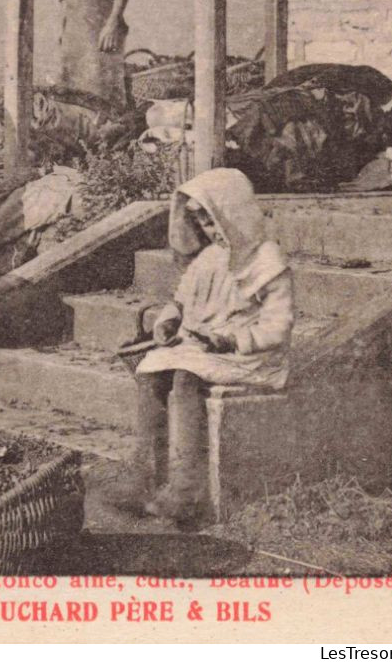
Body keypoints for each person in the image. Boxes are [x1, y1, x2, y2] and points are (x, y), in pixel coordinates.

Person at [120, 168, 294, 526]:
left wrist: (233, 340)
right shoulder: (209, 259)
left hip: (249, 354)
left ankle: (184, 490)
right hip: (204, 344)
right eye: (202, 223)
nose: (210, 231)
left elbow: (277, 327)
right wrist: (168, 321)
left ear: (233, 213)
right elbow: (182, 302)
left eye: (213, 221)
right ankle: (144, 477)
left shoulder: (268, 260)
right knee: (151, 374)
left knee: (185, 378)